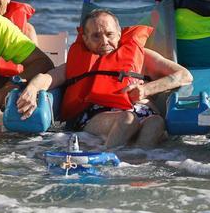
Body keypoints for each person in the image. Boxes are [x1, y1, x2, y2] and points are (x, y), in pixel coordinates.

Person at [15, 9, 192, 148]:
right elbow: (46, 78)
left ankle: (135, 165)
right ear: (85, 39)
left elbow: (184, 75)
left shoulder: (142, 56)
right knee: (126, 119)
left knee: (156, 122)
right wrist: (31, 89)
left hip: (143, 112)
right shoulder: (78, 64)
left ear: (120, 34)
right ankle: (108, 164)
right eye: (96, 36)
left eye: (109, 34)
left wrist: (146, 89)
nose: (104, 41)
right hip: (96, 116)